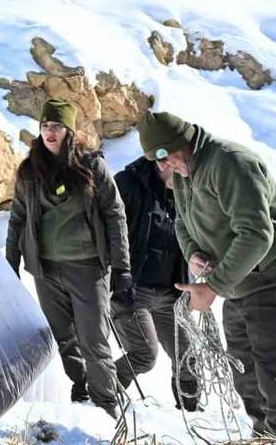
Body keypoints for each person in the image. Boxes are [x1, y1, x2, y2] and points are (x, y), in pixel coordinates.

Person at [140, 112, 276, 442]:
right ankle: (264, 440)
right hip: (238, 283)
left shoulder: (230, 163)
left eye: (163, 156)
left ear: (181, 142)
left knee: (275, 382)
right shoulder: (183, 173)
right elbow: (182, 222)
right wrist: (194, 252)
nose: (163, 166)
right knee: (246, 378)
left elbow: (256, 235)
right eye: (156, 161)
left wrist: (213, 286)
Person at [6, 100, 130, 417]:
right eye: (45, 126)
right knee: (63, 337)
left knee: (94, 339)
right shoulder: (29, 171)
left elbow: (115, 215)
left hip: (88, 268)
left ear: (70, 131)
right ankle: (81, 384)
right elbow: (17, 219)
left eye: (57, 127)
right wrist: (10, 264)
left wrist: (122, 268)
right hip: (46, 270)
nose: (50, 132)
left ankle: (107, 406)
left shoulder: (91, 167)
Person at [110, 155, 201, 410]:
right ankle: (103, 397)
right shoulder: (128, 183)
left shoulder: (187, 192)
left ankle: (191, 413)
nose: (185, 173)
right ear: (162, 161)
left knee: (188, 356)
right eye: (180, 167)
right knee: (144, 354)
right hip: (132, 290)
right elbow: (103, 226)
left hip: (171, 291)